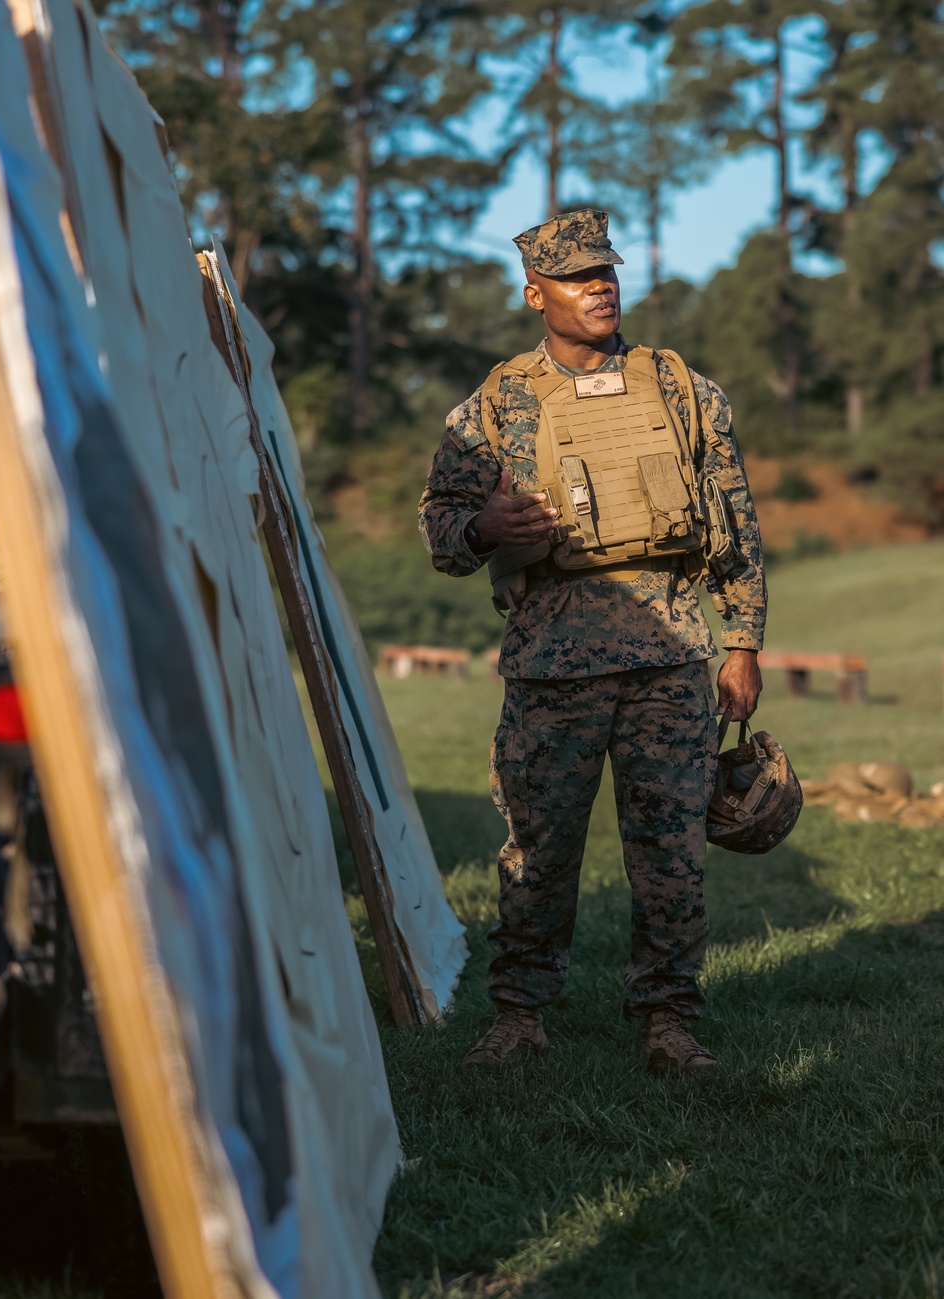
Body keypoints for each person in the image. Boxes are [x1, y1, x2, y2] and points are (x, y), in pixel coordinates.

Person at [418, 209, 766, 1075]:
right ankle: (519, 1016)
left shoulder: (684, 391)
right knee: (537, 849)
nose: (599, 285)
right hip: (551, 663)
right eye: (577, 276)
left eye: (605, 270)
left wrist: (743, 640)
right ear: (536, 293)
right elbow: (439, 529)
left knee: (673, 853)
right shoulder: (495, 404)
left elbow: (736, 521)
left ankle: (670, 1022)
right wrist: (485, 524)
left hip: (670, 657)